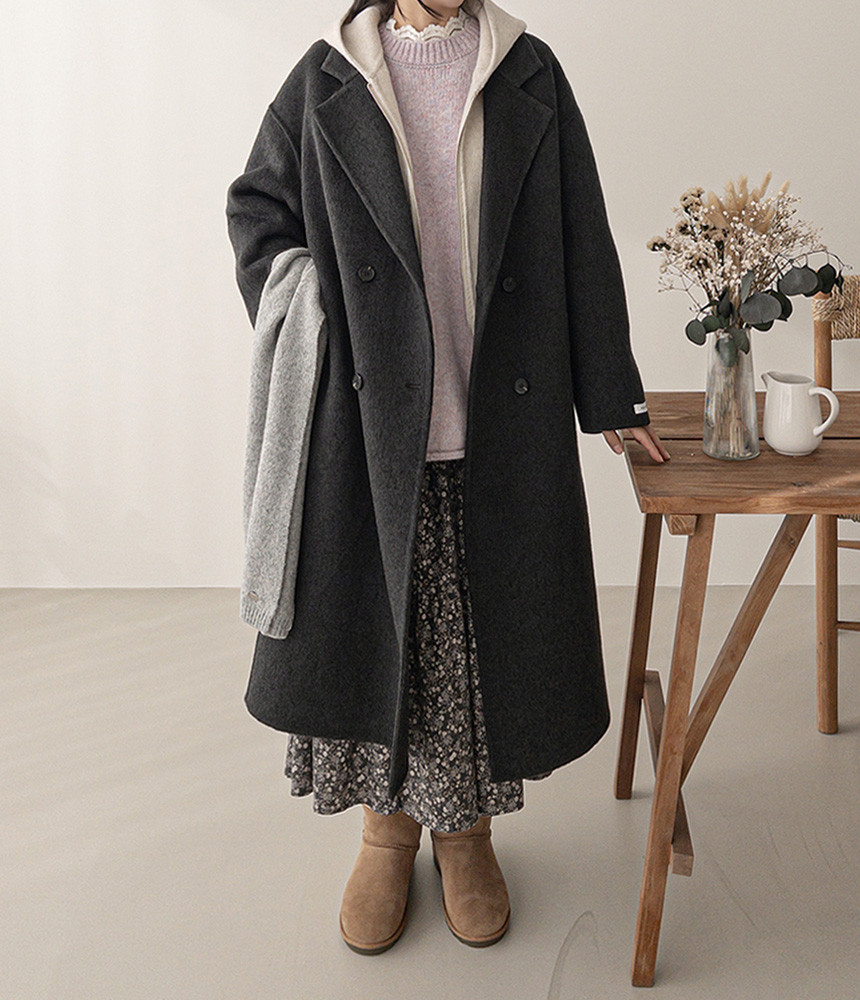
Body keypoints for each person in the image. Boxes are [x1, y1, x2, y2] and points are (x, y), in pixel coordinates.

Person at [226, 0, 670, 957]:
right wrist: (312, 309)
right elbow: (256, 210)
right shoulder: (328, 75)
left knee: (474, 652)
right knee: (380, 642)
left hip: (498, 416)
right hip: (368, 427)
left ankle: (467, 836)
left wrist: (613, 394)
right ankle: (384, 835)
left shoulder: (527, 69)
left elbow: (582, 232)